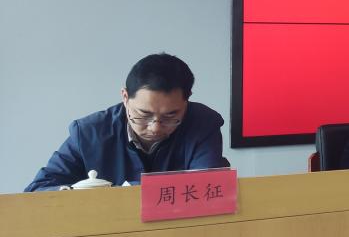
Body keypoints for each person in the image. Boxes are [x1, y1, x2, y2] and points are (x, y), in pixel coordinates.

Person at [26, 53, 224, 191]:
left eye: (170, 116)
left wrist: (127, 191)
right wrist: (76, 193)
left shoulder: (203, 123)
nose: (155, 127)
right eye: (143, 114)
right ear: (125, 97)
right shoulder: (89, 132)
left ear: (186, 101)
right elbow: (37, 190)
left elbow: (207, 187)